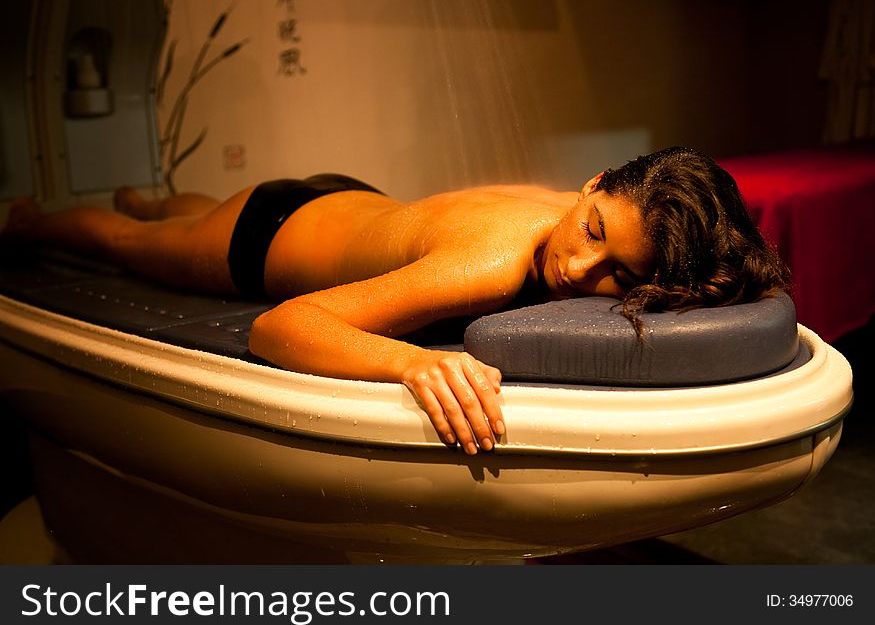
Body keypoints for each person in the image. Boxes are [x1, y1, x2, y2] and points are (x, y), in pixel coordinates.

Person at [0, 147, 789, 455]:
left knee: (184, 213)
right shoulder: (488, 264)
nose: (579, 269)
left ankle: (157, 199)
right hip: (265, 236)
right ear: (590, 186)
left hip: (352, 197)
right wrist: (409, 362)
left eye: (617, 272)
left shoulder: (591, 208)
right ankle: (38, 218)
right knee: (126, 246)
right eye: (590, 229)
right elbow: (281, 326)